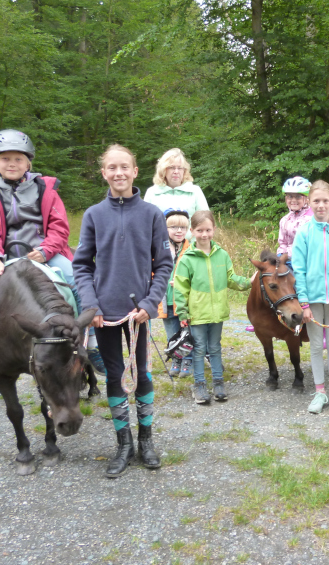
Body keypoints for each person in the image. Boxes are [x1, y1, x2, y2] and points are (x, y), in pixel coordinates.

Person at [0, 129, 105, 388]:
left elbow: (60, 226)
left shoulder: (46, 188)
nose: (12, 164)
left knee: (81, 283)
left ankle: (93, 345)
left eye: (18, 159)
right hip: (6, 257)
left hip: (45, 255)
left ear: (28, 162)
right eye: (5, 159)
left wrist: (45, 250)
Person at [73, 144, 173, 478]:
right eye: (111, 168)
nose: (118, 173)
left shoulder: (151, 214)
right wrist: (91, 305)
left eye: (124, 167)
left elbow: (164, 265)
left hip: (138, 314)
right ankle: (123, 443)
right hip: (105, 314)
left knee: (141, 372)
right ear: (104, 172)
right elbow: (82, 266)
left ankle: (146, 439)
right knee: (115, 375)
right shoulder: (93, 215)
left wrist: (149, 303)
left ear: (135, 171)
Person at [173, 210, 251, 404]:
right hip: (197, 314)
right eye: (200, 230)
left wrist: (249, 281)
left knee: (215, 348)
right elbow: (180, 288)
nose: (204, 234)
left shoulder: (222, 255)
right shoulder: (187, 259)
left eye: (208, 230)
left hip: (217, 314)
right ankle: (198, 385)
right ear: (192, 231)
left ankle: (218, 384)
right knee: (199, 349)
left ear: (214, 230)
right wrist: (182, 311)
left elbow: (231, 278)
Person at [291, 180, 329, 415]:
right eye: (316, 201)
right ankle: (319, 392)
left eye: (325, 201)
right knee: (316, 346)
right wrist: (304, 303)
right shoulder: (304, 232)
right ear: (309, 202)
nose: (320, 205)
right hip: (314, 301)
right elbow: (299, 269)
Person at [159, 207, 192, 376]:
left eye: (183, 228)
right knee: (172, 333)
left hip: (185, 301)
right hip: (167, 300)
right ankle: (176, 359)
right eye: (174, 227)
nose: (179, 231)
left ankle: (188, 360)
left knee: (188, 332)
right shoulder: (159, 249)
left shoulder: (191, 249)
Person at [144, 148, 209, 227]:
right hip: (161, 239)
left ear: (184, 170)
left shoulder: (195, 191)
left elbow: (206, 221)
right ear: (163, 170)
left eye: (179, 168)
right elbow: (145, 223)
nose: (176, 171)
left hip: (191, 239)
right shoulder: (152, 192)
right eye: (172, 168)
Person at [276, 176, 313, 262]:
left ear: (307, 199)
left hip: (306, 261)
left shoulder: (312, 220)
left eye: (298, 197)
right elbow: (283, 243)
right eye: (290, 196)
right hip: (286, 259)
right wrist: (280, 256)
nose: (293, 200)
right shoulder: (284, 220)